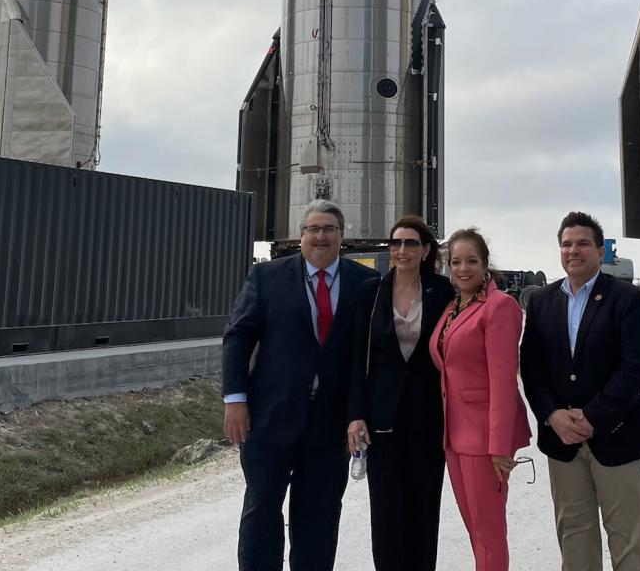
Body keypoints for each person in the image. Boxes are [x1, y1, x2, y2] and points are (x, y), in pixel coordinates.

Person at [222, 199, 378, 571]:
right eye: (313, 229)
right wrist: (234, 399)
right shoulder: (267, 277)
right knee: (261, 510)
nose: (320, 236)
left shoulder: (366, 284)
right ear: (300, 236)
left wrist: (358, 415)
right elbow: (238, 338)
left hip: (329, 423)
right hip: (268, 418)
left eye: (328, 229)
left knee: (319, 517)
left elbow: (367, 356)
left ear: (342, 236)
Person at [520, 212, 640, 571]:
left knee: (626, 535)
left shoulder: (626, 299)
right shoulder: (543, 302)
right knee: (574, 533)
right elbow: (531, 368)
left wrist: (594, 417)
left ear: (599, 250)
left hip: (615, 434)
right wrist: (551, 415)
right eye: (566, 244)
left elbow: (634, 368)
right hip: (562, 440)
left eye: (582, 243)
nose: (573, 250)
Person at [346, 216, 454, 571]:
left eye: (410, 243)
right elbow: (356, 357)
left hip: (430, 415)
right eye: (396, 243)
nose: (401, 250)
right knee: (386, 510)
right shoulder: (371, 292)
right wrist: (355, 414)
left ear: (425, 250)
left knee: (424, 509)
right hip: (382, 417)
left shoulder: (445, 292)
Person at [428, 228, 533, 571]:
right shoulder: (453, 306)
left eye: (471, 261)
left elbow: (504, 381)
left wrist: (499, 445)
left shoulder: (499, 307)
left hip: (484, 438)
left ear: (485, 264)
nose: (462, 269)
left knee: (488, 532)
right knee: (474, 528)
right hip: (455, 433)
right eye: (455, 262)